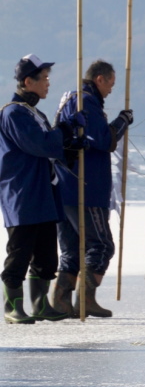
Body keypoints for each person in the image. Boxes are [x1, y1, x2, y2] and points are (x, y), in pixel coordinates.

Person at [1, 55, 86, 324]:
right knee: (20, 251)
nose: (48, 83)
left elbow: (52, 147)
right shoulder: (13, 112)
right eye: (44, 78)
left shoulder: (35, 113)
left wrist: (70, 141)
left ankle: (39, 304)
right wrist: (62, 130)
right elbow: (41, 145)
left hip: (45, 191)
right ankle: (12, 306)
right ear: (29, 81)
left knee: (47, 253)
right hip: (23, 192)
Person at [52, 60, 133, 318]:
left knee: (73, 247)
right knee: (102, 245)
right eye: (110, 83)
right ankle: (86, 299)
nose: (110, 90)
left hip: (64, 187)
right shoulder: (86, 102)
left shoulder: (71, 99)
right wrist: (122, 121)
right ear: (100, 79)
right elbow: (104, 140)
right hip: (84, 188)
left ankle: (61, 301)